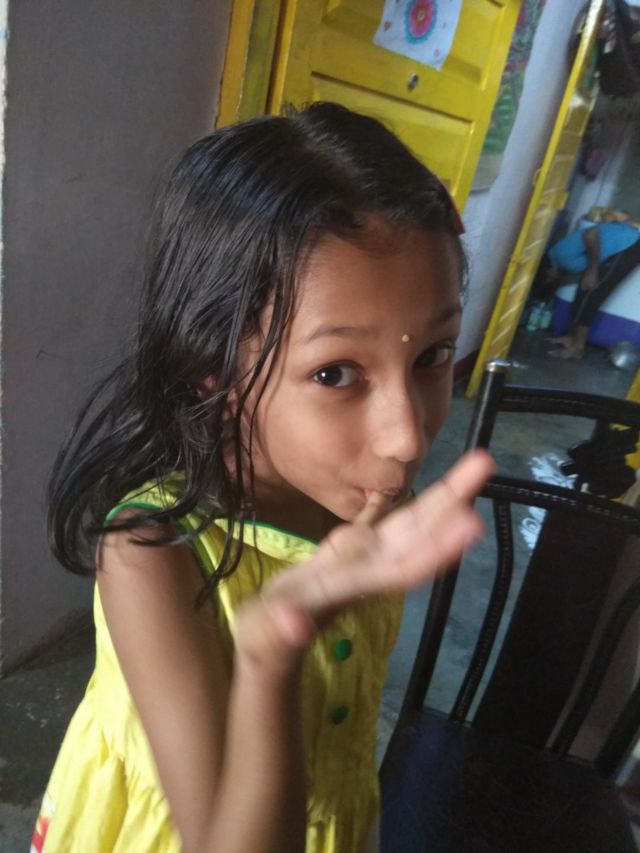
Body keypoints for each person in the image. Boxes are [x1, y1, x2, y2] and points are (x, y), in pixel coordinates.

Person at [31, 103, 493, 853]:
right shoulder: (152, 554)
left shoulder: (365, 504)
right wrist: (273, 648)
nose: (407, 436)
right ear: (209, 366)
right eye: (336, 373)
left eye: (432, 356)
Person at [544, 219, 640, 359]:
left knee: (592, 294)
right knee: (584, 291)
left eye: (547, 279)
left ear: (547, 271)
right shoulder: (560, 261)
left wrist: (591, 270)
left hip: (625, 245)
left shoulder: (560, 255)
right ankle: (571, 338)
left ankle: (578, 348)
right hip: (620, 244)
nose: (550, 281)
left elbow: (591, 234)